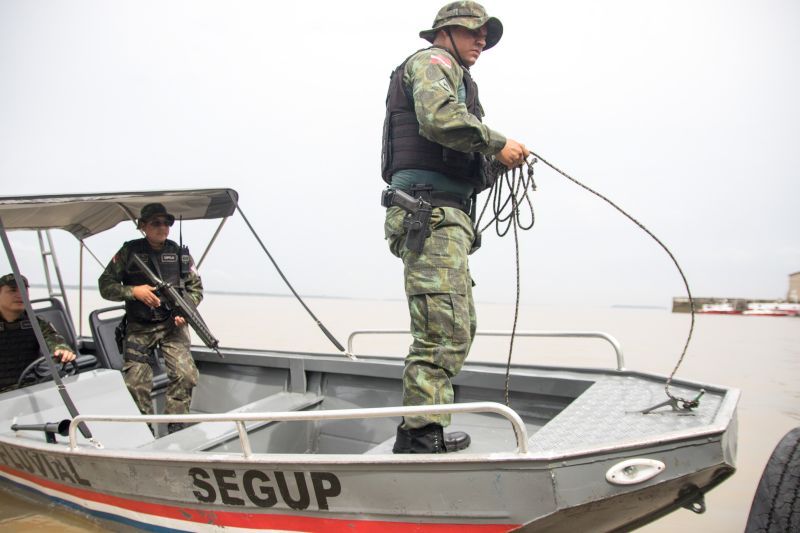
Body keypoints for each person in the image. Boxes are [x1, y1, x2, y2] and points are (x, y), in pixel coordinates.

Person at [381, 1, 529, 453]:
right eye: (474, 31)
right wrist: (499, 142)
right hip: (429, 215)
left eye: (486, 35)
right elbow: (439, 118)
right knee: (441, 330)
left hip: (447, 217)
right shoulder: (433, 62)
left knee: (458, 325)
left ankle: (422, 429)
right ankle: (421, 437)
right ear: (445, 32)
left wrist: (497, 162)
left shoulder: (456, 74)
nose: (481, 40)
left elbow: (454, 143)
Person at [98, 203, 203, 433]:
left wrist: (184, 311)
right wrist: (134, 292)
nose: (163, 227)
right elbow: (105, 285)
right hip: (139, 327)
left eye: (166, 223)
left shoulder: (179, 254)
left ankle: (176, 425)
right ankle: (142, 430)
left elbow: (196, 289)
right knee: (135, 383)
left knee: (185, 375)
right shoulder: (128, 252)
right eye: (156, 223)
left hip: (171, 326)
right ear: (143, 226)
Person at [0, 273, 77, 392]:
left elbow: (53, 339)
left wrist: (62, 350)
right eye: (13, 290)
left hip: (29, 388)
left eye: (23, 289)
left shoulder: (36, 322)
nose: (20, 295)